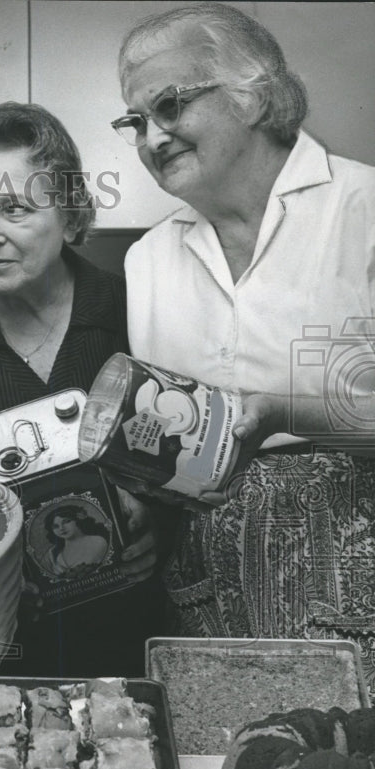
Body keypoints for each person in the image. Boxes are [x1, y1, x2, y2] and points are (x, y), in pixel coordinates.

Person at [114, 2, 375, 694]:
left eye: (169, 105)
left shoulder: (363, 211)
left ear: (254, 94)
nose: (151, 137)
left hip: (355, 587)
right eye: (135, 121)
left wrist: (280, 411)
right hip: (207, 601)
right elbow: (170, 442)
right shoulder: (148, 260)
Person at [0, 102, 165, 678]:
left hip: (140, 645)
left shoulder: (137, 314)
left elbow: (188, 459)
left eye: (15, 209)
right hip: (4, 661)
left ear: (69, 217)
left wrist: (157, 528)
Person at [44, 506, 111, 577]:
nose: (61, 528)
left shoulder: (97, 541)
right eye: (56, 526)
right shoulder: (53, 553)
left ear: (77, 520)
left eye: (66, 521)